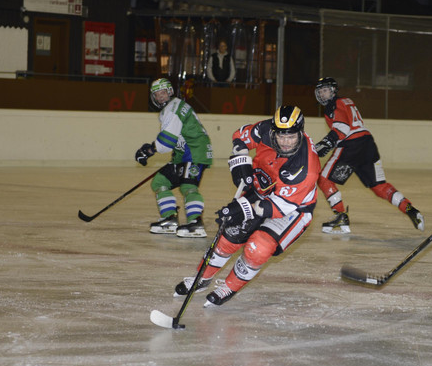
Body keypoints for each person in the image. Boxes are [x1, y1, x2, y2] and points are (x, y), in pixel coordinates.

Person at [173, 105, 320, 307]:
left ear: (300, 133)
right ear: (274, 131)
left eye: (291, 136)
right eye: (281, 136)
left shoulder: (305, 167)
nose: (285, 142)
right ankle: (201, 278)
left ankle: (230, 286)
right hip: (260, 191)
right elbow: (240, 137)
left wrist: (241, 209)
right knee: (229, 235)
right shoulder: (266, 129)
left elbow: (276, 207)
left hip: (293, 209)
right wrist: (240, 161)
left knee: (258, 247)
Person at [311, 76, 424, 234]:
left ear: (333, 90)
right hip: (368, 144)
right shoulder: (347, 101)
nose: (323, 94)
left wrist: (327, 142)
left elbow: (342, 128)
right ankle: (410, 209)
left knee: (324, 179)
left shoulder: (333, 104)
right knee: (379, 186)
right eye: (320, 92)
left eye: (325, 90)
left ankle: (341, 216)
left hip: (351, 146)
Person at [134, 78, 214, 238]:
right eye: (157, 94)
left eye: (163, 93)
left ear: (170, 92)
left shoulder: (172, 109)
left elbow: (167, 141)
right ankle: (169, 219)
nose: (160, 97)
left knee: (188, 185)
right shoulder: (173, 106)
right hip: (184, 153)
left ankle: (196, 223)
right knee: (160, 181)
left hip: (195, 151)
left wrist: (149, 150)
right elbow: (177, 138)